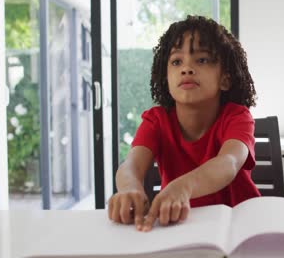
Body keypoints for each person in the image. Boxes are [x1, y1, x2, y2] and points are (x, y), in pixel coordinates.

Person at [108, 15, 260, 232]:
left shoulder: (237, 117)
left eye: (202, 60)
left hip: (240, 229)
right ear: (166, 78)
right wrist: (130, 189)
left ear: (225, 79)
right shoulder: (156, 121)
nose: (186, 68)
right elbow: (131, 165)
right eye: (176, 61)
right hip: (180, 228)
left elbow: (229, 162)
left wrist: (184, 186)